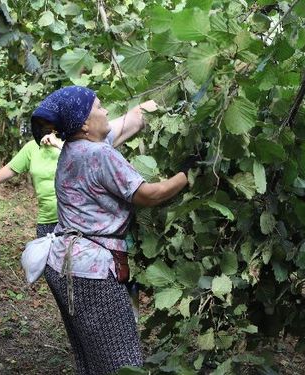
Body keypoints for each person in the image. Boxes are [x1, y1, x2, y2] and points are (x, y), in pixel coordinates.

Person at [30, 86, 191, 375]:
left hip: (64, 266)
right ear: (84, 123)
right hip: (90, 273)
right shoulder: (99, 154)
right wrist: (186, 175)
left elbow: (133, 119)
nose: (107, 112)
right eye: (101, 107)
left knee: (91, 361)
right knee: (123, 363)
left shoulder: (74, 146)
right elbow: (149, 195)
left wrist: (181, 91)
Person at [0, 133, 64, 238]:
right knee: (45, 253)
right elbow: (11, 169)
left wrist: (58, 145)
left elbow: (85, 163)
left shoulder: (73, 142)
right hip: (47, 219)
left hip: (74, 219)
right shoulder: (32, 147)